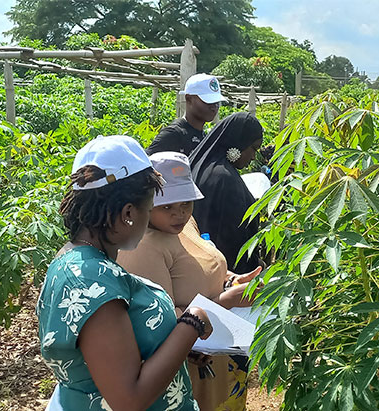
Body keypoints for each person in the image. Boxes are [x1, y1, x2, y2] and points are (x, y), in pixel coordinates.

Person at [37, 135, 213, 410]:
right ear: (129, 213)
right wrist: (192, 323)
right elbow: (128, 399)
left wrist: (170, 346)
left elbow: (113, 352)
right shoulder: (90, 279)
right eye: (149, 209)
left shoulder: (80, 259)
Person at [117, 151, 261, 411]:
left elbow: (201, 264)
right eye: (167, 207)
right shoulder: (143, 247)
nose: (179, 214)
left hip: (218, 352)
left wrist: (231, 280)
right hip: (190, 363)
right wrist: (224, 301)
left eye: (186, 203)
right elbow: (157, 321)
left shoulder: (185, 226)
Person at [189, 112, 264, 273]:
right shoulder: (224, 178)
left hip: (200, 266)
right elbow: (231, 239)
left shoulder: (206, 166)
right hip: (225, 275)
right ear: (239, 143)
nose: (253, 157)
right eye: (253, 149)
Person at [146, 73, 225, 156]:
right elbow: (146, 164)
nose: (214, 107)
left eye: (216, 102)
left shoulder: (204, 137)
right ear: (189, 99)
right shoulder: (173, 134)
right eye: (208, 101)